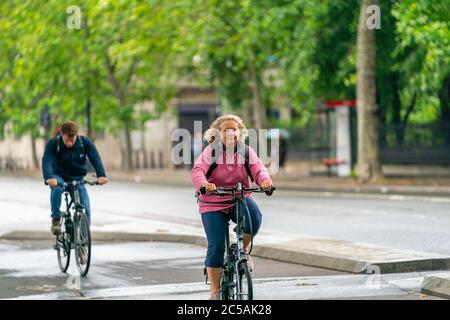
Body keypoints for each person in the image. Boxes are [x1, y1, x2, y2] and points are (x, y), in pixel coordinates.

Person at [191, 114, 273, 300]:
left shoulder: (246, 152)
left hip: (239, 197)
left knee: (255, 218)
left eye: (233, 129)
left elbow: (258, 169)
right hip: (212, 201)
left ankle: (242, 251)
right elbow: (198, 171)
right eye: (225, 130)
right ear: (218, 133)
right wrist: (204, 185)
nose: (230, 133)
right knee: (217, 247)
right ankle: (215, 292)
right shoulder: (212, 152)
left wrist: (265, 181)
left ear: (239, 132)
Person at [42, 121, 107, 236]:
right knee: (57, 188)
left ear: (76, 135)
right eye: (67, 140)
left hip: (77, 178)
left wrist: (101, 175)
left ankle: (83, 241)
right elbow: (47, 161)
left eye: (72, 140)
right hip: (59, 176)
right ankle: (56, 219)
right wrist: (49, 178)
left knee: (85, 209)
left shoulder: (84, 142)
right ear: (62, 135)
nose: (70, 143)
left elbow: (95, 157)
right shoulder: (54, 144)